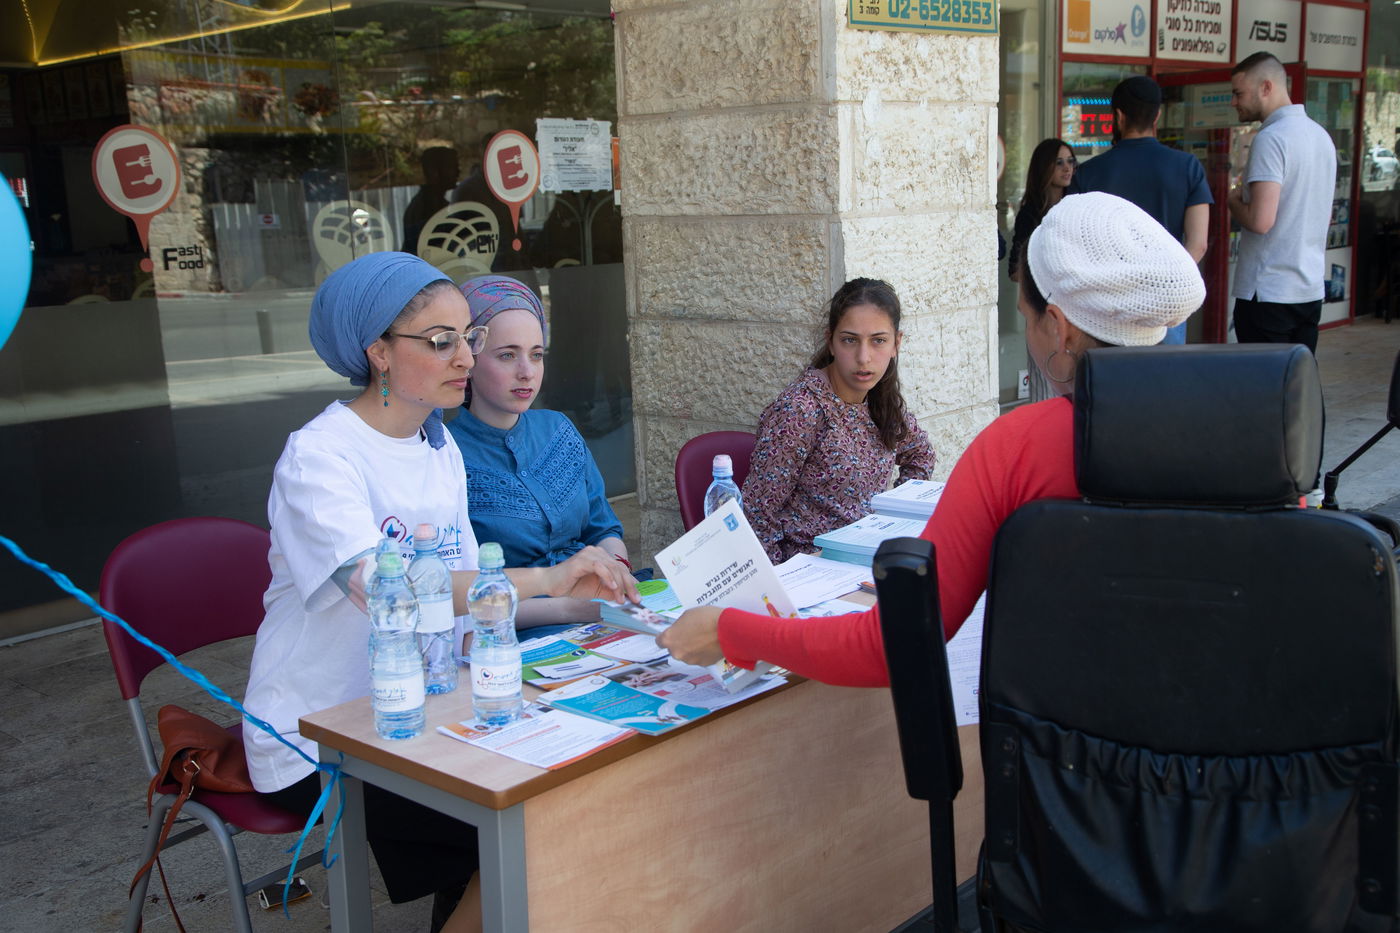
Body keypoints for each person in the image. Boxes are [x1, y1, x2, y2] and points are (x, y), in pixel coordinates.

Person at [657, 193, 1205, 685]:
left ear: (1057, 326)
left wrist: (733, 632)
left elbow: (896, 639)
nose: (864, 355)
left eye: (1024, 315)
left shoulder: (1018, 445)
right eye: (850, 341)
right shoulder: (1214, 428)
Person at [241, 252, 636, 933]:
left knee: (580, 790)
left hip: (430, 706)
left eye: (468, 338)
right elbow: (390, 592)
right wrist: (546, 577)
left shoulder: (436, 446)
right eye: (441, 340)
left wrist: (568, 618)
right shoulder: (320, 457)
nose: (465, 357)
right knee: (532, 824)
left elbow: (469, 603)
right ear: (379, 353)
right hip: (325, 730)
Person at [446, 274, 629, 628]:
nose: (526, 372)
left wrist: (616, 572)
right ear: (469, 359)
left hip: (599, 612)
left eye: (536, 355)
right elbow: (457, 600)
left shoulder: (558, 429)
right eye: (507, 355)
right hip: (512, 637)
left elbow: (602, 527)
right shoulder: (446, 456)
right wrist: (571, 609)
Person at [741, 278, 935, 565]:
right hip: (812, 567)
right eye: (849, 340)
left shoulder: (880, 399)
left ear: (897, 343)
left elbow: (920, 454)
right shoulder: (801, 409)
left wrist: (896, 521)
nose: (864, 357)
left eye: (878, 340)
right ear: (831, 341)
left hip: (866, 558)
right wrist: (782, 582)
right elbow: (757, 512)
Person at [1069, 75, 1212, 344]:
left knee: (1109, 372)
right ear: (1157, 116)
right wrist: (1164, 286)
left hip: (1108, 306)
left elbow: (1076, 246)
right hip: (1165, 306)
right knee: (1165, 371)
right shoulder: (1188, 167)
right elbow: (1199, 244)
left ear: (1118, 117)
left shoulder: (1088, 173)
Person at [1227, 51, 1336, 353]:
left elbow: (1261, 221)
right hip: (1309, 289)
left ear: (1266, 87)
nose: (1234, 102)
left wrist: (1233, 200)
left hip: (1269, 291)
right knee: (1299, 379)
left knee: (1264, 381)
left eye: (1239, 93)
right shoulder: (1321, 136)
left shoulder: (1271, 138)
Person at [1007, 138, 1075, 283]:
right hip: (1046, 292)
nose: (1067, 168)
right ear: (1044, 166)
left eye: (1070, 161)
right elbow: (1015, 271)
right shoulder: (1029, 214)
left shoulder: (1076, 206)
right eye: (1059, 162)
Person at [401, 146, 459, 256]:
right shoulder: (423, 208)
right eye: (452, 167)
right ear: (434, 172)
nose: (458, 172)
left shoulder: (436, 203)